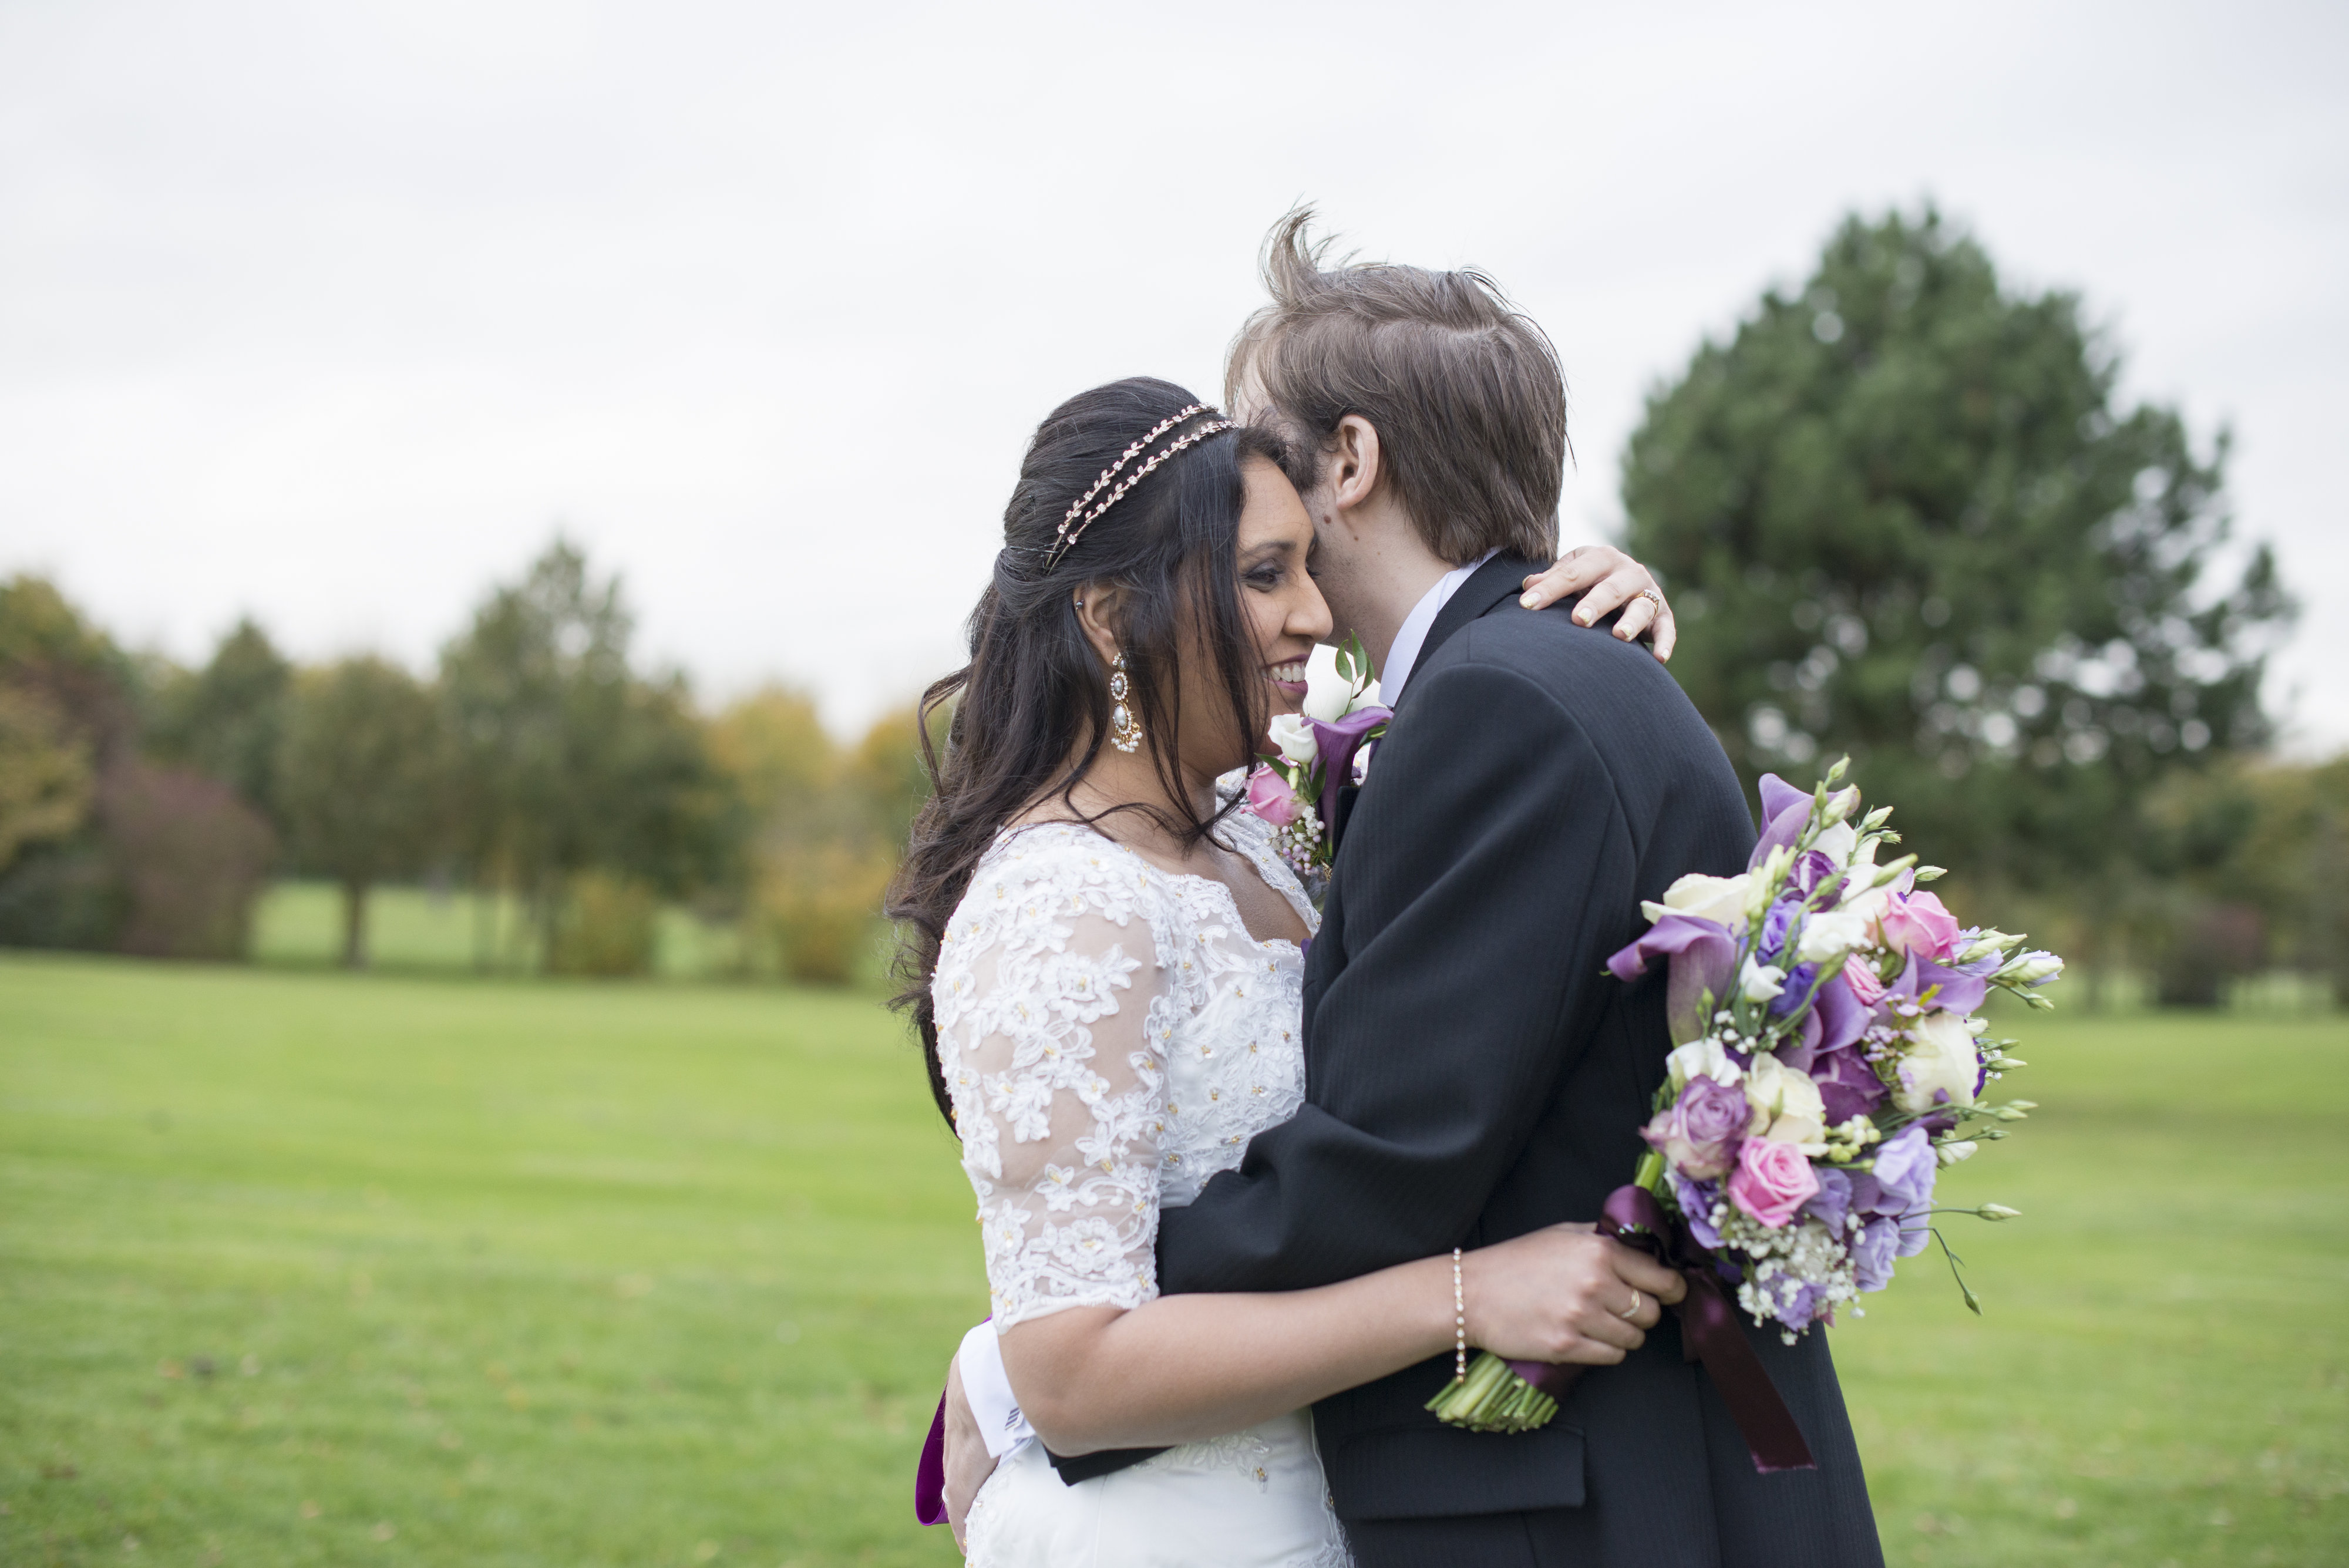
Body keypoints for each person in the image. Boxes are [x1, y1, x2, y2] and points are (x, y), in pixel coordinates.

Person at [932, 214, 1885, 1567]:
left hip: (1592, 1498)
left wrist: (1015, 1366)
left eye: (1259, 451)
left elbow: (1383, 1163)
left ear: (1350, 461)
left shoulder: (1499, 701)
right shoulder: (1512, 687)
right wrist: (1057, 1338)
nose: (1235, 473)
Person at [890, 374, 1689, 1567]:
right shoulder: (1057, 904)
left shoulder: (1263, 834)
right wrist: (1465, 1300)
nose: (1316, 615)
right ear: (1111, 617)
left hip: (1346, 1504)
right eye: (1265, 575)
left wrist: (1567, 627)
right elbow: (1068, 1374)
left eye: (1309, 566)